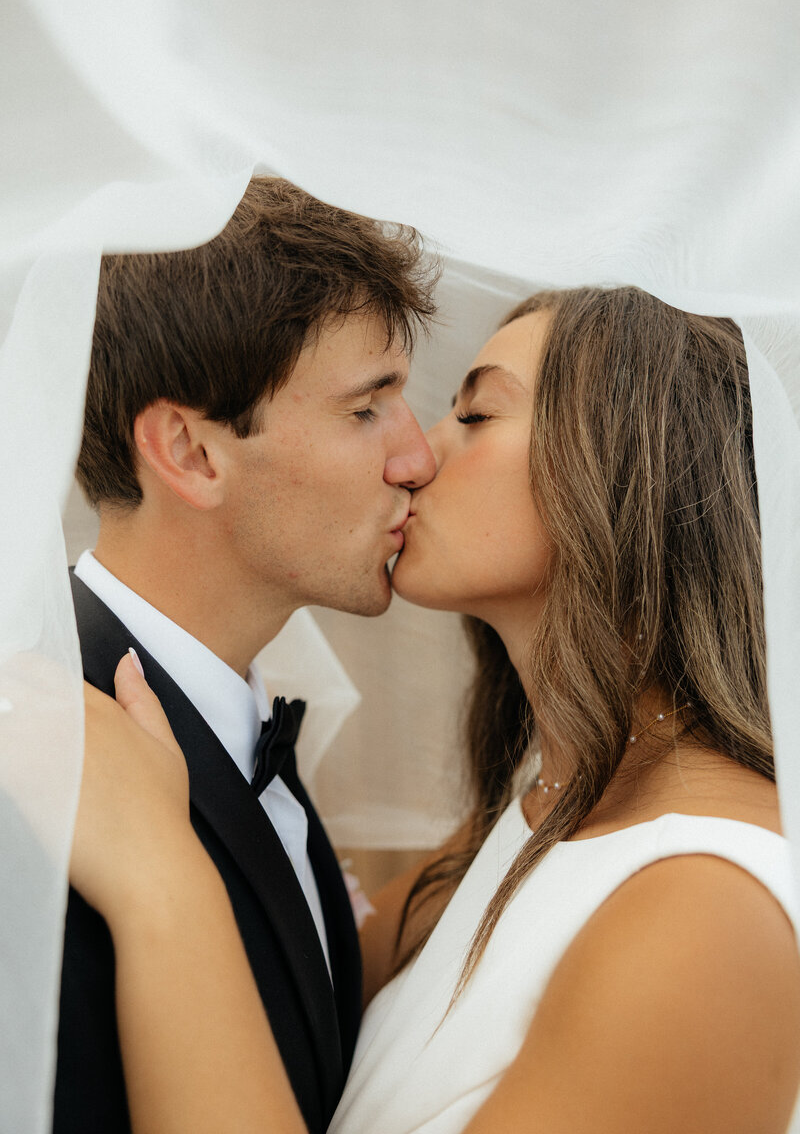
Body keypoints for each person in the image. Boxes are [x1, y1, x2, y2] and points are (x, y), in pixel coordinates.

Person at [72, 285, 800, 1134]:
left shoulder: (709, 916)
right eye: (372, 408)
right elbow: (304, 991)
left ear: (625, 474)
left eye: (476, 415)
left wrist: (161, 879)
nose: (419, 456)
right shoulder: (543, 810)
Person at [58, 176, 437, 1134]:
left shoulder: (238, 715)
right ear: (189, 452)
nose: (418, 457)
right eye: (367, 409)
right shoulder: (49, 753)